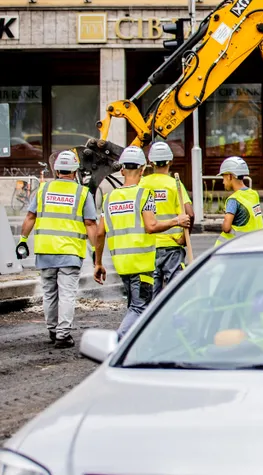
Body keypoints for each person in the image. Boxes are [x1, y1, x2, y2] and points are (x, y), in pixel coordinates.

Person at [94, 146, 188, 340]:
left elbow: (100, 232)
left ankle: (139, 345)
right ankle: (119, 342)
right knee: (139, 307)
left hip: (122, 264)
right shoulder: (145, 195)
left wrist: (98, 263)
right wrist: (176, 221)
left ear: (121, 170)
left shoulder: (108, 198)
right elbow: (151, 226)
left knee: (133, 304)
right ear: (143, 169)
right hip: (143, 263)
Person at [17, 150, 99, 348]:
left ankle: (53, 330)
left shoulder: (43, 190)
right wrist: (96, 250)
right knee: (67, 293)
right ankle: (63, 335)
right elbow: (90, 224)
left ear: (56, 169)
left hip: (45, 251)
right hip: (69, 252)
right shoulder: (82, 193)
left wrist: (22, 240)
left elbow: (30, 217)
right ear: (74, 170)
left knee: (49, 293)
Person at [140, 141, 195, 300]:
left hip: (149, 247)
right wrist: (183, 238)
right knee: (175, 293)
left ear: (150, 162)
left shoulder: (143, 184)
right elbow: (189, 214)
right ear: (170, 161)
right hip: (172, 246)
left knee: (151, 294)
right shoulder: (174, 184)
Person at [215, 156, 263, 246]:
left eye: (223, 177)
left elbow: (226, 227)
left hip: (232, 248)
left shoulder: (233, 200)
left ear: (230, 176)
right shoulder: (254, 194)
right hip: (253, 245)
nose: (223, 182)